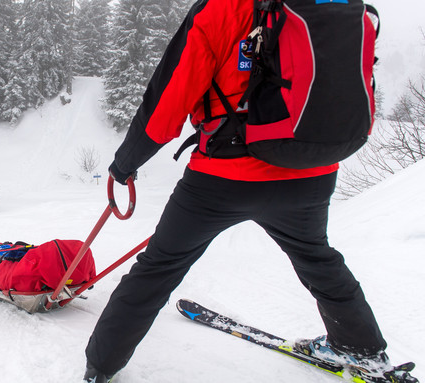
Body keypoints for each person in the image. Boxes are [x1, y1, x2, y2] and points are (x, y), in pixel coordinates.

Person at [82, 1, 402, 383]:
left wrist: (125, 163)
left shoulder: (221, 9)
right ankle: (362, 348)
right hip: (309, 172)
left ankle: (101, 366)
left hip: (223, 175)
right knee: (318, 258)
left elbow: (170, 97)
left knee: (159, 267)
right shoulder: (335, 6)